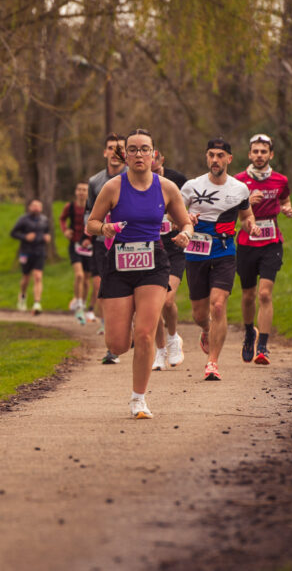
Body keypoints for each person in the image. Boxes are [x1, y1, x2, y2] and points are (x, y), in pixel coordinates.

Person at [86, 129, 193, 419]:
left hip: (153, 262)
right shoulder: (112, 187)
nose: (138, 155)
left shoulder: (167, 187)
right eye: (132, 150)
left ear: (154, 154)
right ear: (125, 155)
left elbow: (185, 223)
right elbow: (91, 223)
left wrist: (184, 234)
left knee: (145, 333)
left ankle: (138, 399)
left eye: (144, 149)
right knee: (118, 344)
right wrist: (104, 228)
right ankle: (128, 324)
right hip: (119, 264)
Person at [181, 138, 258, 381]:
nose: (215, 160)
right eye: (212, 155)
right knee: (199, 314)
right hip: (195, 252)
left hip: (224, 250)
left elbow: (246, 216)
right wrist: (186, 220)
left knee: (218, 304)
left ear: (229, 159)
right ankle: (206, 330)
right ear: (207, 158)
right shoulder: (191, 187)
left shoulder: (239, 189)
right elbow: (175, 218)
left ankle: (212, 362)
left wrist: (251, 226)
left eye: (220, 155)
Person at [234, 134, 292, 365]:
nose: (259, 155)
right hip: (247, 244)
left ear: (271, 155)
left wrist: (287, 209)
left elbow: (285, 200)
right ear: (249, 154)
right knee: (248, 296)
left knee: (265, 294)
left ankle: (263, 347)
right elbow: (230, 212)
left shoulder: (280, 180)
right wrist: (247, 202)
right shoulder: (238, 181)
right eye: (255, 151)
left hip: (271, 242)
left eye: (263, 151)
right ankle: (250, 333)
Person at [86, 132, 127, 363]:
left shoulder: (133, 178)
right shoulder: (95, 182)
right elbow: (88, 212)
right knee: (107, 290)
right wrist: (95, 228)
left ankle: (136, 334)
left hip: (129, 243)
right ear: (105, 152)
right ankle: (112, 348)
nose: (115, 152)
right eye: (111, 148)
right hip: (104, 244)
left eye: (119, 148)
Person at [150, 151, 189, 370]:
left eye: (155, 159)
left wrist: (183, 222)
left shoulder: (178, 180)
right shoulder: (138, 183)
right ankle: (160, 350)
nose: (151, 163)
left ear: (162, 159)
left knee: (166, 301)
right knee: (153, 305)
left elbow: (188, 208)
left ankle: (173, 338)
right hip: (152, 249)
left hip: (174, 247)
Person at [10, 199, 51, 315]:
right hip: (26, 252)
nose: (36, 208)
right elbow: (13, 233)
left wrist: (47, 237)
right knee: (26, 278)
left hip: (40, 251)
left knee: (38, 276)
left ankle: (37, 303)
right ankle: (22, 296)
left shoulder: (44, 220)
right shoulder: (23, 220)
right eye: (34, 205)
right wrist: (25, 237)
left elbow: (47, 232)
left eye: (38, 206)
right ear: (29, 207)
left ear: (41, 208)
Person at [60, 182, 93, 324]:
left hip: (88, 246)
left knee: (86, 279)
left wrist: (90, 239)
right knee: (79, 275)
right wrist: (65, 230)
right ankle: (78, 303)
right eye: (79, 189)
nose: (81, 192)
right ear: (75, 192)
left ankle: (83, 304)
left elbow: (96, 222)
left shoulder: (91, 207)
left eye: (84, 190)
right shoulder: (70, 207)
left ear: (88, 192)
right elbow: (62, 219)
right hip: (75, 245)